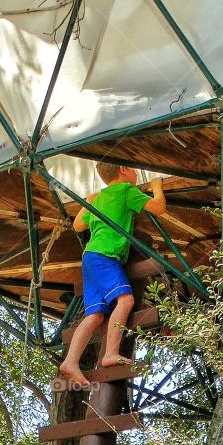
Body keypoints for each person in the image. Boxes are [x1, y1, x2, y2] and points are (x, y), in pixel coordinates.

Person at [58, 163, 166, 388]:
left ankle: (70, 361)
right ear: (123, 170)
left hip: (90, 256)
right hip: (106, 255)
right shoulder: (127, 191)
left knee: (95, 316)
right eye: (133, 169)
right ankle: (110, 353)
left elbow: (78, 225)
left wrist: (89, 202)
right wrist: (157, 186)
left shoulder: (97, 197)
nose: (136, 173)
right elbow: (158, 208)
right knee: (125, 300)